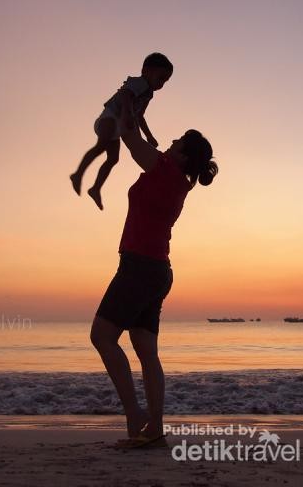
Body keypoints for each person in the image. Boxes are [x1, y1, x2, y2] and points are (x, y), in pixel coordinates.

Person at [90, 110, 218, 449]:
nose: (171, 141)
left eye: (177, 141)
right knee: (146, 350)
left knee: (102, 336)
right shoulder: (179, 181)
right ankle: (155, 428)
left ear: (182, 155)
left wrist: (126, 103)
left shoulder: (165, 170)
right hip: (157, 270)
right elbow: (137, 137)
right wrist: (133, 109)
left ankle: (135, 415)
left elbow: (132, 141)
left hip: (140, 268)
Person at [70, 52, 173, 210]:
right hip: (110, 118)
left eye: (165, 81)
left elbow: (140, 116)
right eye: (160, 78)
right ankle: (78, 174)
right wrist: (126, 114)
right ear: (147, 71)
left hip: (118, 124)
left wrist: (149, 136)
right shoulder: (140, 83)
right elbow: (125, 95)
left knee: (113, 159)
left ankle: (95, 188)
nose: (161, 84)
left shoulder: (148, 94)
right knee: (101, 146)